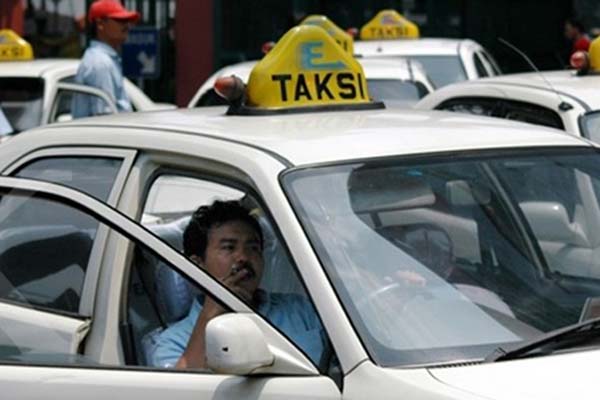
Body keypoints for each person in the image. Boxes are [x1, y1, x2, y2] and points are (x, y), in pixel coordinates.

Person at [149, 200, 324, 369]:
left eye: (253, 247)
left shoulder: (302, 311)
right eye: (229, 248)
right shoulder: (174, 342)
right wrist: (211, 313)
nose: (243, 257)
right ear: (197, 264)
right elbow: (182, 391)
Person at [72, 0, 140, 119]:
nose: (126, 26)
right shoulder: (100, 63)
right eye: (120, 20)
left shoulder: (103, 59)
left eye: (127, 21)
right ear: (100, 24)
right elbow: (104, 119)